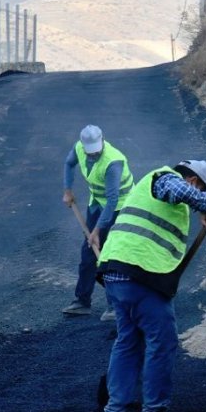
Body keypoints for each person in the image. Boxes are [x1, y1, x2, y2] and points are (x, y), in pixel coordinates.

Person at [97, 159, 206, 412]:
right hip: (139, 275)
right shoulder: (165, 178)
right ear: (193, 181)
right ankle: (154, 411)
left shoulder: (154, 191)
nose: (196, 193)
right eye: (199, 187)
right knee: (162, 340)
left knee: (128, 341)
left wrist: (201, 210)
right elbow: (181, 192)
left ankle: (115, 411)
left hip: (117, 274)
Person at [62, 124, 134, 319]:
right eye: (90, 152)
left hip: (120, 208)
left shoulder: (113, 162)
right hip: (97, 205)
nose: (93, 155)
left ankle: (114, 306)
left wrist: (96, 231)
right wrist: (67, 190)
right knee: (88, 254)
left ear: (102, 141)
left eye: (96, 151)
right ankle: (82, 301)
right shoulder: (79, 148)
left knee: (109, 255)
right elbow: (69, 163)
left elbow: (112, 201)